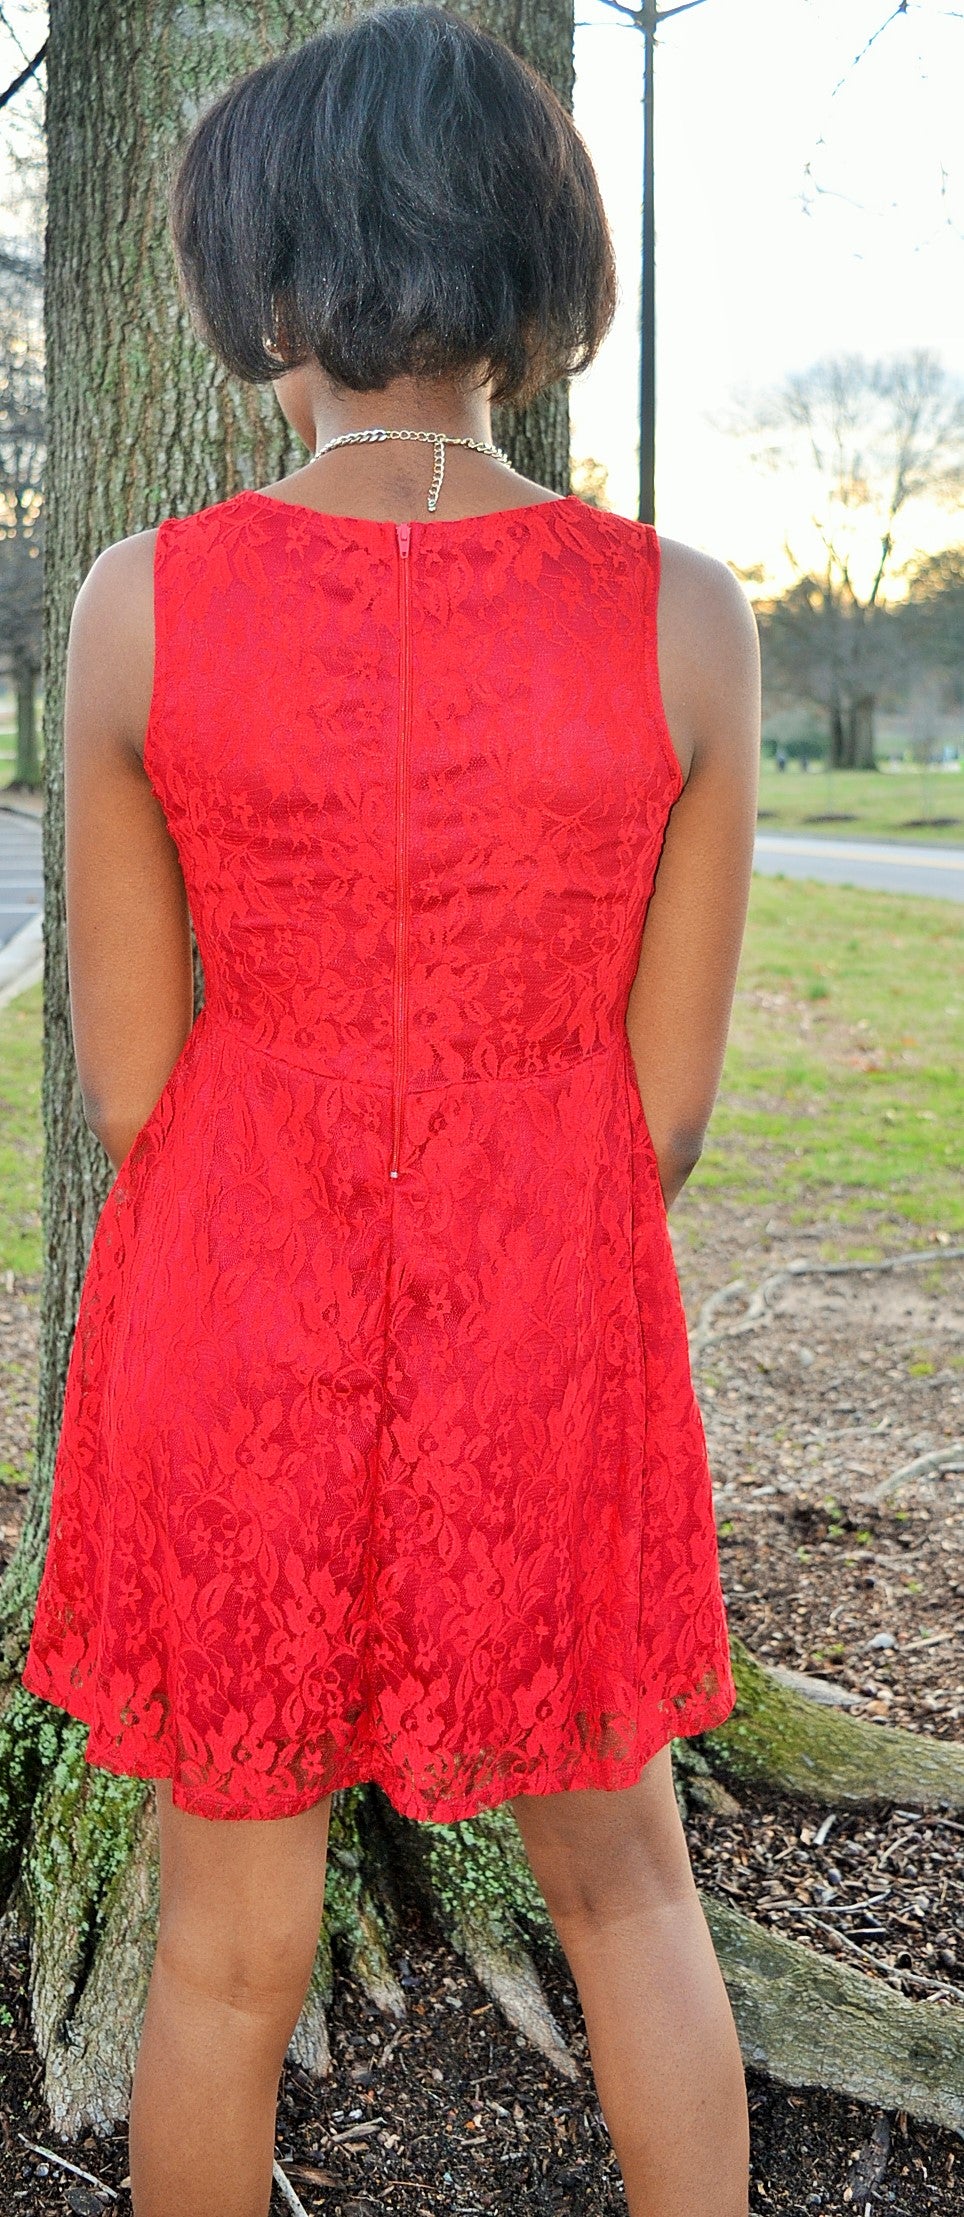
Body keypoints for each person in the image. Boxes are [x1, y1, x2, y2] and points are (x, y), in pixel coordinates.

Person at [21, 6, 760, 2213]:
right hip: (549, 1312)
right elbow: (666, 1111)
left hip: (232, 1314)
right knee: (627, 1888)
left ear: (263, 287)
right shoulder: (689, 622)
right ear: (537, 286)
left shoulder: (138, 609)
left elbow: (138, 1075)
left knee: (227, 1947)